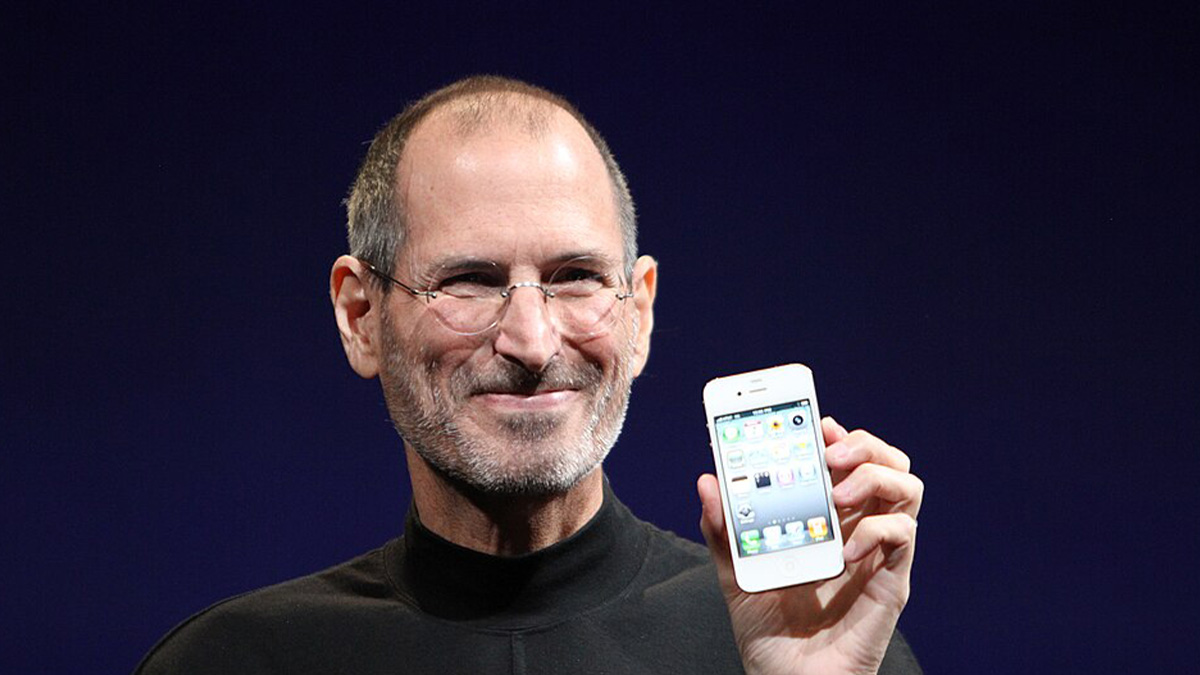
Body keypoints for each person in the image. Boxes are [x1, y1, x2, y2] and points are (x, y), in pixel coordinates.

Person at [136, 76, 924, 674]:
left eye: (576, 275)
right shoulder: (234, 659)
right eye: (470, 280)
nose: (530, 339)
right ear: (360, 315)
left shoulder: (825, 638)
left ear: (639, 312)